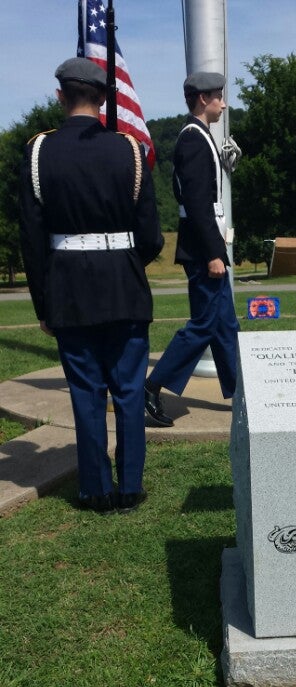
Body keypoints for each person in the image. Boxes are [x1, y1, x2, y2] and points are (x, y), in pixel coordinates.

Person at [19, 57, 163, 512]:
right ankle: (131, 486)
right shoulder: (130, 150)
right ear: (104, 98)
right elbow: (152, 237)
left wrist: (44, 304)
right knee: (127, 389)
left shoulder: (39, 152)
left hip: (69, 290)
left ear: (60, 96)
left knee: (86, 392)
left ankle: (95, 489)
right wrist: (124, 263)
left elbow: (32, 238)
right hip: (124, 286)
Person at [144, 72, 239, 427]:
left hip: (205, 244)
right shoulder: (194, 140)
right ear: (203, 99)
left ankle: (241, 392)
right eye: (219, 97)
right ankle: (152, 385)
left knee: (226, 325)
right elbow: (198, 204)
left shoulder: (199, 138)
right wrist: (214, 253)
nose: (223, 104)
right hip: (204, 249)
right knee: (204, 324)